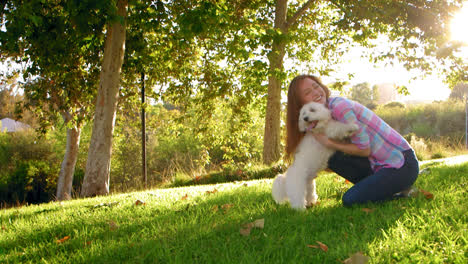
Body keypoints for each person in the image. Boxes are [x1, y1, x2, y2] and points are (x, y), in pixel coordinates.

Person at [285, 74, 419, 207]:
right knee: (332, 156)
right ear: (300, 104)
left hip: (401, 163)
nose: (316, 92)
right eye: (308, 92)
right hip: (377, 165)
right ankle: (384, 187)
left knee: (350, 199)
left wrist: (329, 143)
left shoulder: (339, 107)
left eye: (316, 86)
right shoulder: (314, 120)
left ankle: (400, 192)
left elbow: (364, 150)